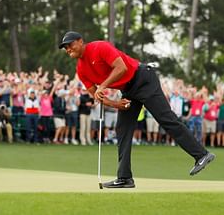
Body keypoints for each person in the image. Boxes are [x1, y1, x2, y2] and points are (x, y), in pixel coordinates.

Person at [59, 31, 215, 188]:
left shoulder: (100, 47)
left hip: (143, 78)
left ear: (80, 41)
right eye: (65, 48)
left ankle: (202, 154)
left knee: (166, 119)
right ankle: (125, 177)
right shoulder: (81, 70)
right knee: (123, 129)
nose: (68, 49)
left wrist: (104, 86)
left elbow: (121, 68)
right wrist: (116, 104)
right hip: (127, 90)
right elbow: (96, 96)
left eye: (70, 45)